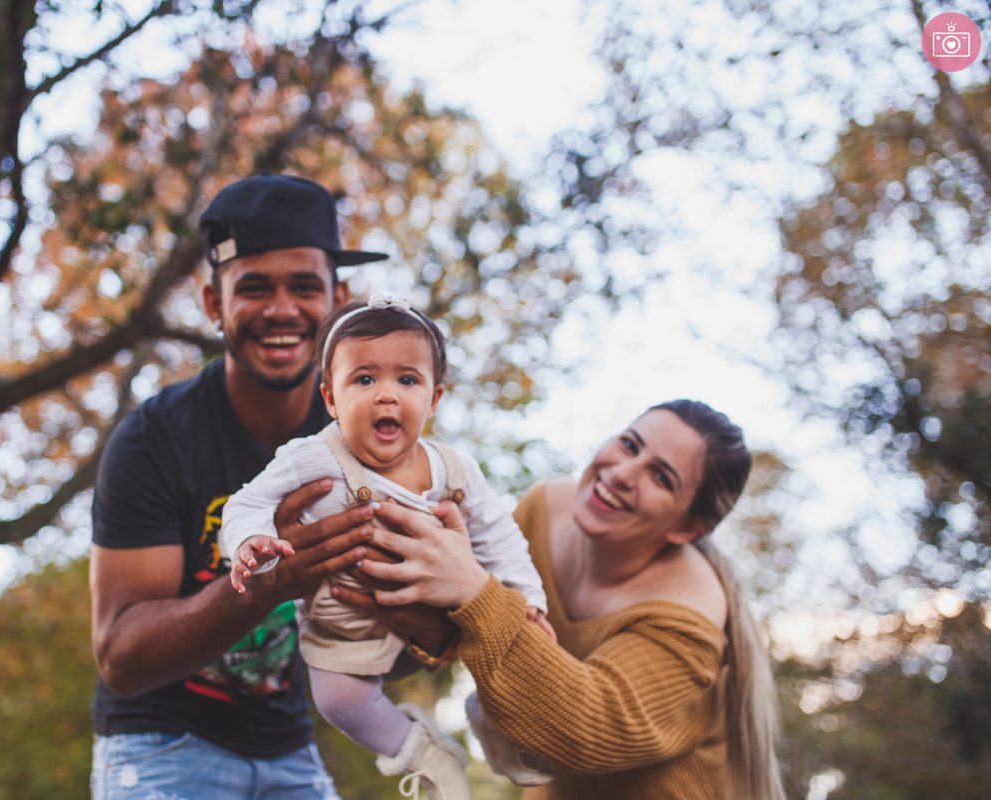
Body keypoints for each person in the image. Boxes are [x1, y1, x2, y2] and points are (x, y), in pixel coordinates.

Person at [89, 174, 393, 800]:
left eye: (304, 287)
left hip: (291, 748)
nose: (281, 309)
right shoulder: (153, 441)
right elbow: (119, 657)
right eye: (254, 288)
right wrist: (263, 585)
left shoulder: (368, 439)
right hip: (161, 743)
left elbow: (394, 641)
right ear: (213, 302)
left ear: (338, 300)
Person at [337, 400, 787, 800]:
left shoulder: (691, 614)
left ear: (686, 528)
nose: (623, 473)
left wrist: (474, 591)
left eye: (661, 477)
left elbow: (590, 726)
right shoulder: (544, 509)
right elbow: (479, 636)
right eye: (630, 445)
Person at [220, 297, 553, 800]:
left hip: (438, 606)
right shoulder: (313, 457)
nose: (386, 395)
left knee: (504, 633)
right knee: (339, 701)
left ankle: (501, 722)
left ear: (434, 399)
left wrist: (528, 597)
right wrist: (250, 540)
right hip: (345, 623)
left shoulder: (454, 470)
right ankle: (426, 752)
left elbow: (498, 536)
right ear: (331, 399)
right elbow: (246, 503)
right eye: (364, 379)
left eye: (407, 379)